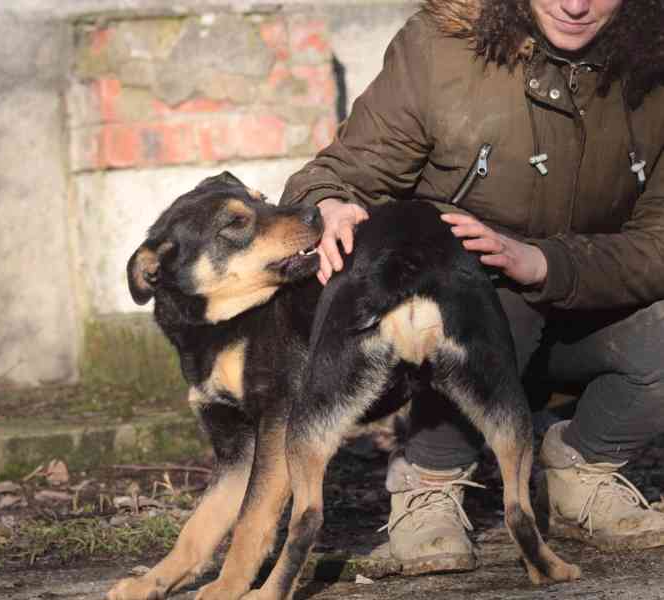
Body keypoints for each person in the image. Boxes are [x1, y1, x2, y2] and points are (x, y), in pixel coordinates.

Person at [280, 0, 664, 575]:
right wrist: (329, 205)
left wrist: (543, 263)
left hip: (585, 306)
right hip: (458, 314)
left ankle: (583, 469)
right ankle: (427, 484)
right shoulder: (442, 50)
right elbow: (336, 173)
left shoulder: (656, 67)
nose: (576, 5)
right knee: (481, 283)